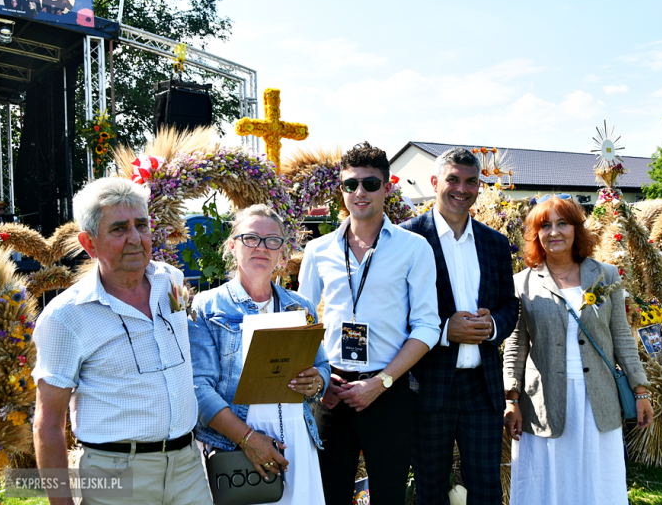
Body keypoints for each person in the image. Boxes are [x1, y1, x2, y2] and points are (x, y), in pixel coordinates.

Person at [32, 177, 211, 505]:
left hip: (187, 467)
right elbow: (49, 422)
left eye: (141, 225)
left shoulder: (171, 280)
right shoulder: (65, 317)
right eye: (118, 229)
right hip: (116, 477)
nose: (135, 239)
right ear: (89, 243)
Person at [298, 142, 441, 505]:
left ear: (387, 187)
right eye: (351, 184)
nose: (359, 192)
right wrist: (319, 383)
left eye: (370, 184)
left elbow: (427, 326)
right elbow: (303, 321)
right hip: (331, 392)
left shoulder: (414, 248)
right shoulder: (318, 250)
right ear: (341, 189)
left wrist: (381, 382)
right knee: (329, 496)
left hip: (387, 391)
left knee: (389, 497)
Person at [502, 194, 654, 505]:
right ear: (535, 234)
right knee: (548, 477)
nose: (554, 232)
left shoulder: (605, 275)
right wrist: (511, 398)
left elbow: (621, 336)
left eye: (563, 224)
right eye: (545, 226)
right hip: (543, 400)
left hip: (596, 397)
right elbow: (516, 345)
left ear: (576, 230)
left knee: (596, 478)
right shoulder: (522, 283)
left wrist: (641, 391)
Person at [400, 148, 520, 505]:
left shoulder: (495, 243)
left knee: (486, 489)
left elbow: (509, 305)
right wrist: (441, 331)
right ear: (435, 181)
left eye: (471, 181)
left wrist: (494, 325)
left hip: (482, 389)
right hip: (428, 385)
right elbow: (393, 313)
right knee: (431, 488)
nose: (462, 189)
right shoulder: (407, 239)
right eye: (453, 179)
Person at [190, 204, 330, 504]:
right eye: (251, 238)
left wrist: (317, 382)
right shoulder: (207, 306)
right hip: (237, 443)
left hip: (296, 440)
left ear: (282, 250)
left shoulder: (300, 305)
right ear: (232, 245)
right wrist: (248, 439)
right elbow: (198, 388)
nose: (262, 247)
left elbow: (322, 366)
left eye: (272, 240)